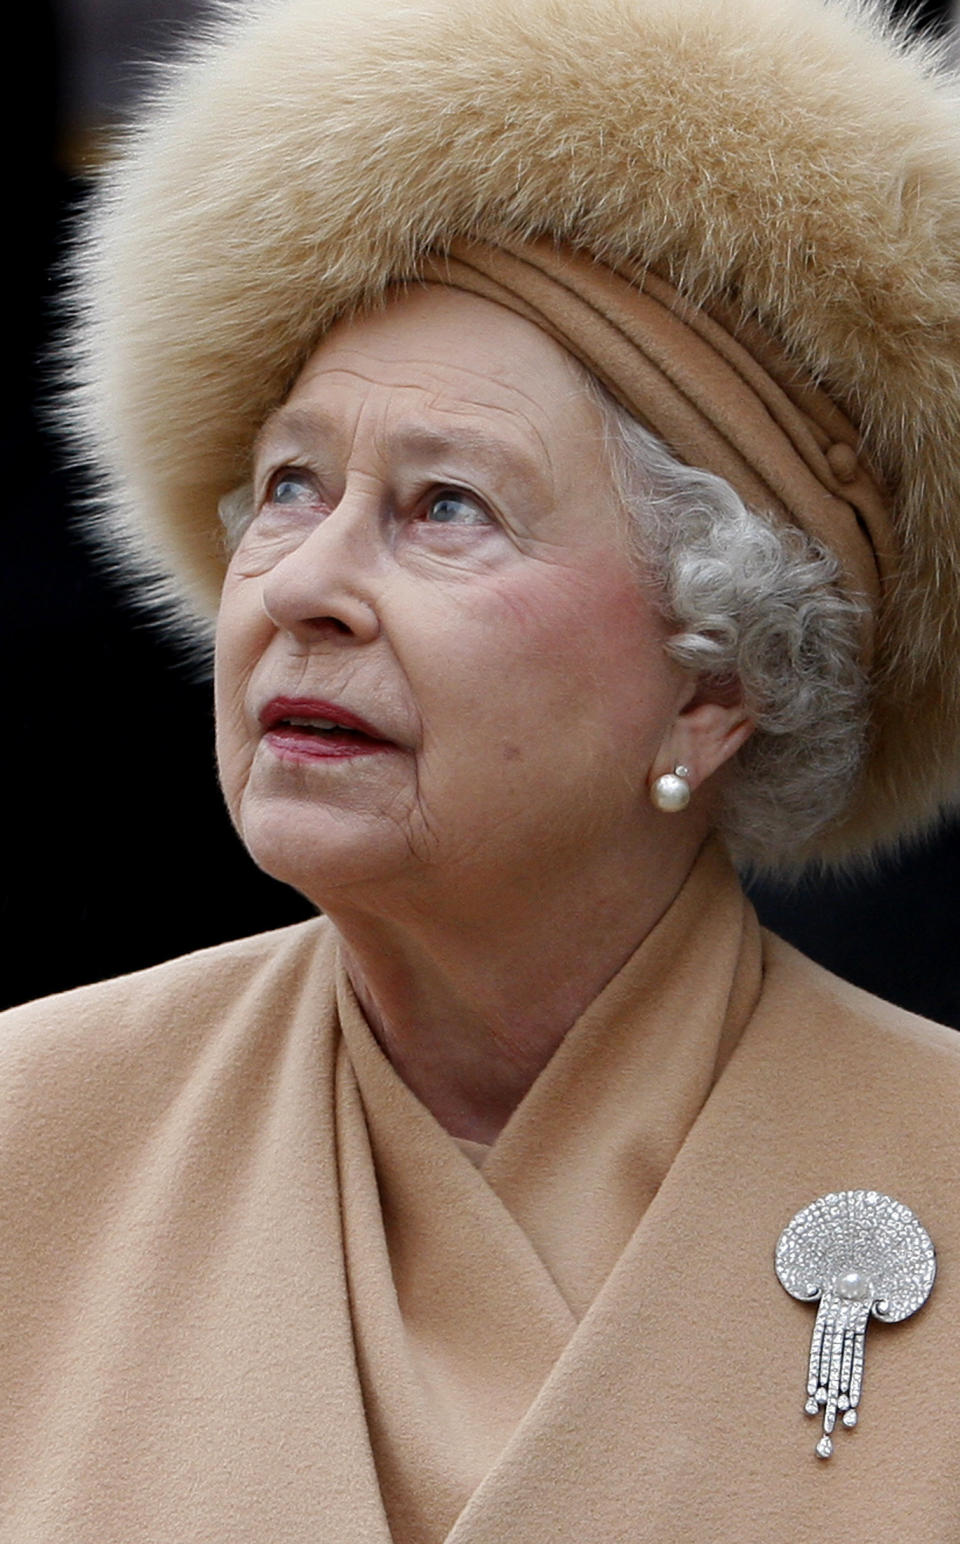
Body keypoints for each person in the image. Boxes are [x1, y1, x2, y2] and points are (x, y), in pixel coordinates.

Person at [4, 0, 960, 1538]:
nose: (301, 580)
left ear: (717, 684)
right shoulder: (31, 1132)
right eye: (289, 486)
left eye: (446, 505)